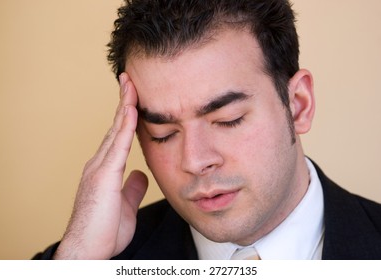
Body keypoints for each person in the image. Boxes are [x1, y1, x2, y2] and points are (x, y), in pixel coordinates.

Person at [33, 0, 381, 260]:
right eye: (163, 133)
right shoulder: (81, 261)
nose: (196, 161)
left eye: (227, 119)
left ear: (299, 104)